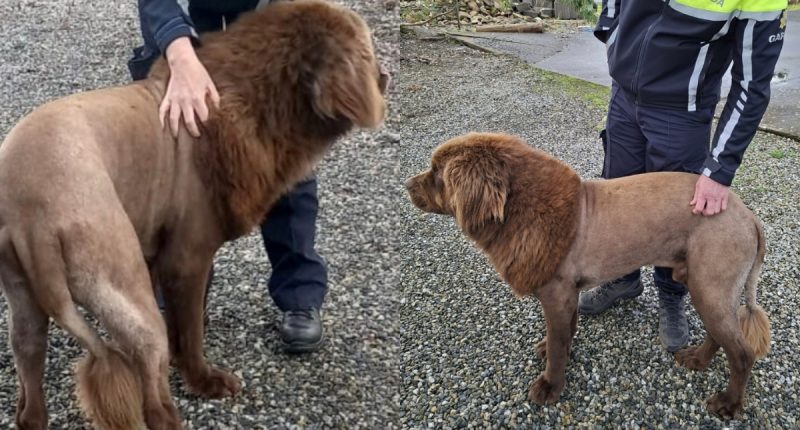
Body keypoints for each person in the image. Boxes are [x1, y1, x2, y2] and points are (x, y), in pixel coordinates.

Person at [583, 0, 787, 352]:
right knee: (616, 202)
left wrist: (720, 169)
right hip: (623, 99)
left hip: (681, 112)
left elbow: (753, 84)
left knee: (676, 217)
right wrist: (612, 29)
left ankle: (671, 293)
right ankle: (622, 279)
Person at [129, 0, 327, 353]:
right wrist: (179, 53)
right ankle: (174, 281)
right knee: (176, 143)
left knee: (283, 144)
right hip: (189, 15)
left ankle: (300, 293)